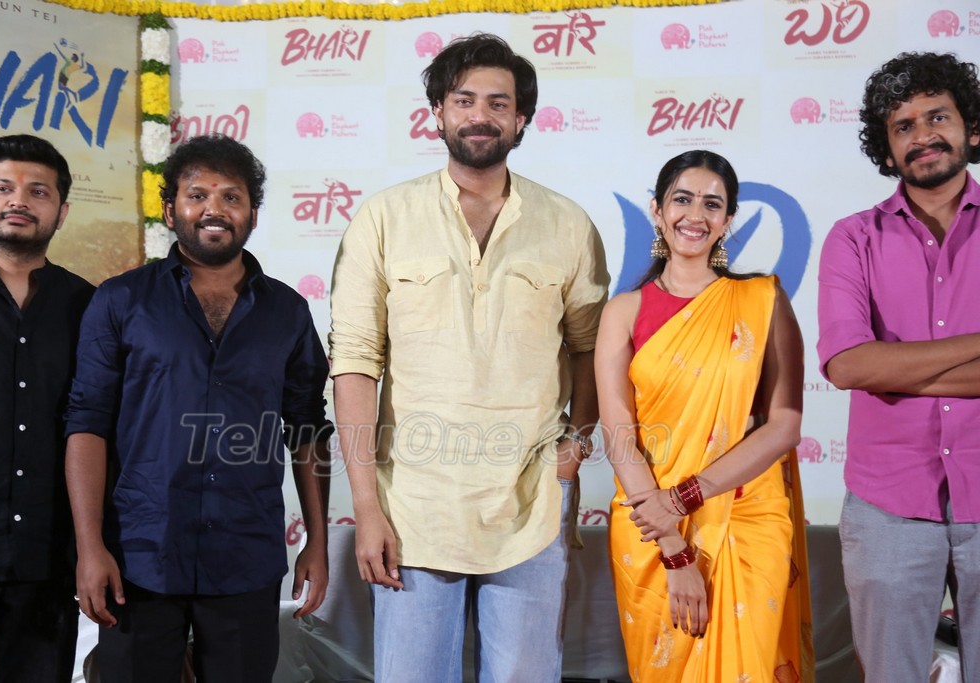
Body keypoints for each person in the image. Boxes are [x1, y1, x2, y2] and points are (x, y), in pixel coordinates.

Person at [329, 33, 609, 682]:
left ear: (521, 118)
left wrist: (576, 444)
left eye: (497, 103)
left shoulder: (567, 223)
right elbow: (355, 363)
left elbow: (592, 347)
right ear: (438, 111)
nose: (480, 115)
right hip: (412, 504)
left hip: (531, 501)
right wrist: (366, 505)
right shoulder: (384, 218)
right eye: (464, 100)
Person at [64, 134, 332, 683]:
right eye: (197, 195)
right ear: (171, 211)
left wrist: (318, 542)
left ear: (252, 213)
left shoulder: (286, 310)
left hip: (246, 554)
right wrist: (89, 548)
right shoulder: (120, 300)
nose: (214, 208)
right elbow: (87, 424)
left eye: (231, 196)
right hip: (139, 555)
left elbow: (307, 429)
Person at [594, 150, 814, 682]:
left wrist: (683, 499)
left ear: (728, 219)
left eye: (712, 204)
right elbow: (619, 435)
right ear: (657, 210)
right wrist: (673, 547)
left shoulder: (762, 299)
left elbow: (784, 424)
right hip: (650, 526)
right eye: (682, 199)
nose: (696, 215)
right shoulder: (623, 311)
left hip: (745, 516)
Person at [817, 51, 980, 682]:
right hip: (888, 503)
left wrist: (897, 369)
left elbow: (876, 367)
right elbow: (849, 365)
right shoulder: (852, 238)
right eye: (903, 126)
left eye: (937, 117)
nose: (922, 136)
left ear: (971, 129)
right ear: (886, 151)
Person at [0, 135, 93, 682]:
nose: (19, 200)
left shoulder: (89, 306)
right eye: (3, 188)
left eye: (38, 191)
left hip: (47, 553)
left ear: (61, 211)